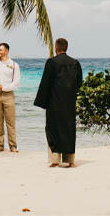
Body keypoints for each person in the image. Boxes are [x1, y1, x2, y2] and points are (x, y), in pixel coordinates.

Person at [33, 36, 82, 167]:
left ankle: (55, 160)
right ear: (66, 48)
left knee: (53, 129)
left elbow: (46, 83)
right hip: (69, 102)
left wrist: (43, 102)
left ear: (56, 47)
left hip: (54, 102)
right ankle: (70, 160)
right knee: (69, 129)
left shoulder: (52, 62)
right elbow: (79, 82)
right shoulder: (75, 63)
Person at [0, 42, 21, 152]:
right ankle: (0, 145)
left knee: (10, 122)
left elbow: (16, 83)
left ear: (6, 51)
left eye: (0, 50)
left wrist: (3, 87)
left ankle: (13, 146)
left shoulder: (14, 65)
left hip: (9, 95)